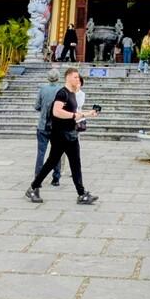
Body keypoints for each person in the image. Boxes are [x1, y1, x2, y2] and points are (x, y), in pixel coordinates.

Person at [27, 68, 99, 205]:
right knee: (51, 162)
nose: (78, 80)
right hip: (60, 135)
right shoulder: (62, 93)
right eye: (75, 77)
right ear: (68, 78)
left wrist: (89, 113)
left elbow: (74, 113)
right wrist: (73, 115)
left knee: (75, 164)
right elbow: (56, 111)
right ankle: (33, 188)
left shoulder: (72, 94)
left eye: (78, 77)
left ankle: (82, 194)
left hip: (71, 135)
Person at [33, 68, 63, 187]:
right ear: (58, 78)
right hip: (57, 126)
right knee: (56, 153)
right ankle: (56, 177)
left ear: (48, 78)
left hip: (42, 125)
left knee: (41, 153)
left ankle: (38, 178)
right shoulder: (62, 90)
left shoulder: (42, 89)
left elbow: (37, 106)